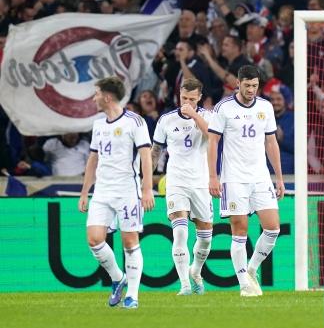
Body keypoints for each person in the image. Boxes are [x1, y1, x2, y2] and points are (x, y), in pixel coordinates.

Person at [207, 65, 285, 296]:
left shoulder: (265, 107)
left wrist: (279, 178)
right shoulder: (223, 108)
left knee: (273, 228)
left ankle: (251, 269)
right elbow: (213, 142)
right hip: (234, 178)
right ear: (238, 84)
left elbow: (271, 142)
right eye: (247, 85)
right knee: (239, 230)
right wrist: (213, 176)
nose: (251, 89)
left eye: (255, 86)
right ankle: (244, 284)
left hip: (260, 177)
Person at [78, 77, 154, 309]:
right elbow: (93, 159)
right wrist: (85, 192)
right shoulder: (98, 125)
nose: (94, 98)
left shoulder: (135, 122)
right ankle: (118, 278)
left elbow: (146, 156)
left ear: (107, 97)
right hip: (102, 190)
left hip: (127, 190)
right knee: (94, 239)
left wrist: (147, 189)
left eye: (96, 93)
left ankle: (132, 295)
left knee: (130, 241)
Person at [152, 78, 213, 295]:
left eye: (192, 99)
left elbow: (212, 137)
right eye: (184, 98)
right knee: (179, 233)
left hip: (201, 182)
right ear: (179, 95)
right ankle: (185, 285)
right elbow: (156, 150)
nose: (187, 102)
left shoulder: (208, 116)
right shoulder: (166, 120)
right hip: (176, 181)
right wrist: (145, 181)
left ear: (200, 98)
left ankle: (195, 271)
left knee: (206, 238)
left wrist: (194, 115)